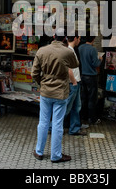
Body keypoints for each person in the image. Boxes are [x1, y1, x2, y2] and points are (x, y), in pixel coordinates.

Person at [31, 28, 79, 163]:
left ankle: (39, 152)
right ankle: (56, 155)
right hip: (60, 93)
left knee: (43, 122)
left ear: (53, 36)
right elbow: (75, 64)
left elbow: (34, 73)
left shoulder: (42, 51)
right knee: (58, 124)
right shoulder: (67, 52)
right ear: (65, 38)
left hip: (46, 92)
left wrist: (43, 83)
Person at [78, 35, 103, 125]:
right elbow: (95, 64)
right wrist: (100, 59)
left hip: (82, 75)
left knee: (83, 97)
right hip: (91, 76)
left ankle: (82, 116)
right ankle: (92, 118)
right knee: (92, 98)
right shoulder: (92, 49)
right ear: (93, 39)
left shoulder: (80, 47)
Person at [65, 33, 86, 136]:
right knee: (67, 107)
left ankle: (74, 128)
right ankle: (52, 126)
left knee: (76, 107)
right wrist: (73, 82)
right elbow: (69, 69)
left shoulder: (72, 50)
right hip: (73, 83)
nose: (79, 41)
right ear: (75, 38)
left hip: (76, 82)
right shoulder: (69, 51)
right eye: (79, 38)